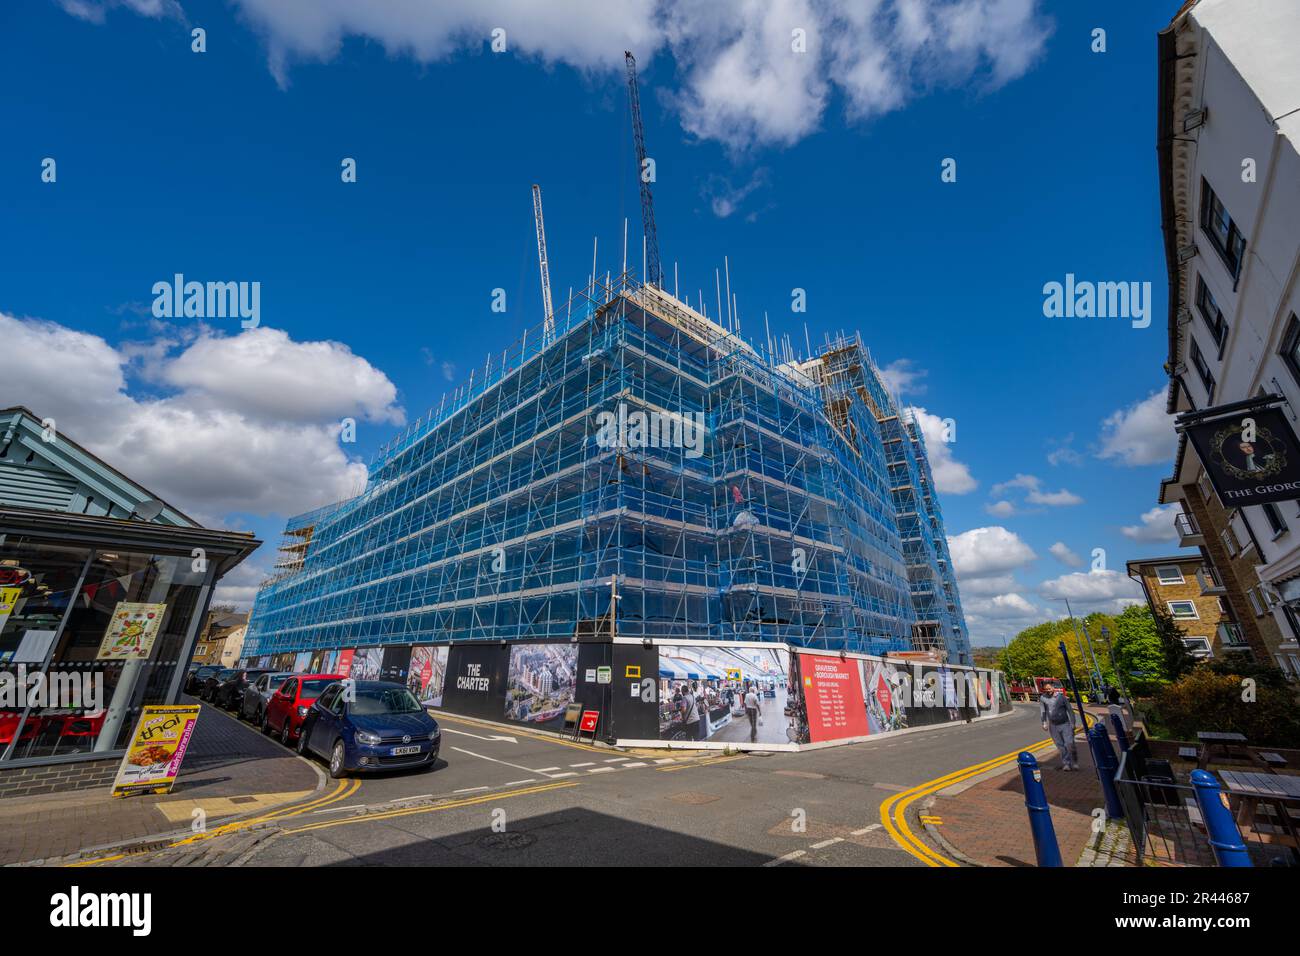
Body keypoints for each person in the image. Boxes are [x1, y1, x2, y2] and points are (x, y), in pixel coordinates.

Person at [1039, 685, 1078, 770]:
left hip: (1065, 724)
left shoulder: (1061, 697)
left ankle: (1074, 762)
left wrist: (1073, 723)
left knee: (1069, 743)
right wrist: (1044, 723)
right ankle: (1066, 763)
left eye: (1049, 688)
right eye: (1046, 689)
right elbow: (1043, 711)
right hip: (1053, 726)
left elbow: (1070, 710)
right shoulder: (1043, 698)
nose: (1048, 690)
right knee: (1060, 746)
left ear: (1053, 688)